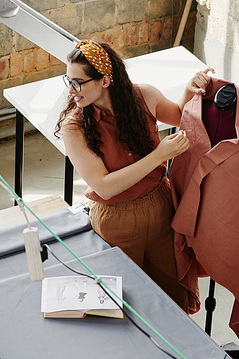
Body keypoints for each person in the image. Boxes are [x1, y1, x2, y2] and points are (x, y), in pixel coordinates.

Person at [55, 39, 211, 312]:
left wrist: (189, 88)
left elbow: (179, 116)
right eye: (68, 80)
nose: (72, 90)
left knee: (171, 300)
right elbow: (104, 187)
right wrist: (159, 156)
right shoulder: (74, 126)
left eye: (78, 82)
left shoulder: (145, 96)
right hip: (116, 220)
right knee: (124, 306)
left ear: (105, 80)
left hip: (162, 208)